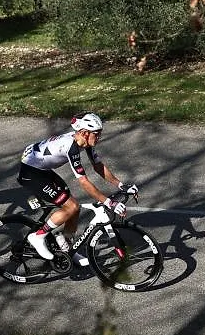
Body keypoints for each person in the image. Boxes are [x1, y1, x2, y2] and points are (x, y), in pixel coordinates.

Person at [15, 112, 138, 264]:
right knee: (71, 206)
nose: (99, 137)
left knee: (76, 208)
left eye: (100, 133)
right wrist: (108, 202)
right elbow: (84, 182)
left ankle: (66, 249)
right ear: (85, 133)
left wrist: (121, 185)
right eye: (96, 134)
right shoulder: (71, 147)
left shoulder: (85, 142)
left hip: (42, 169)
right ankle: (38, 236)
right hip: (31, 172)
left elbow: (98, 166)